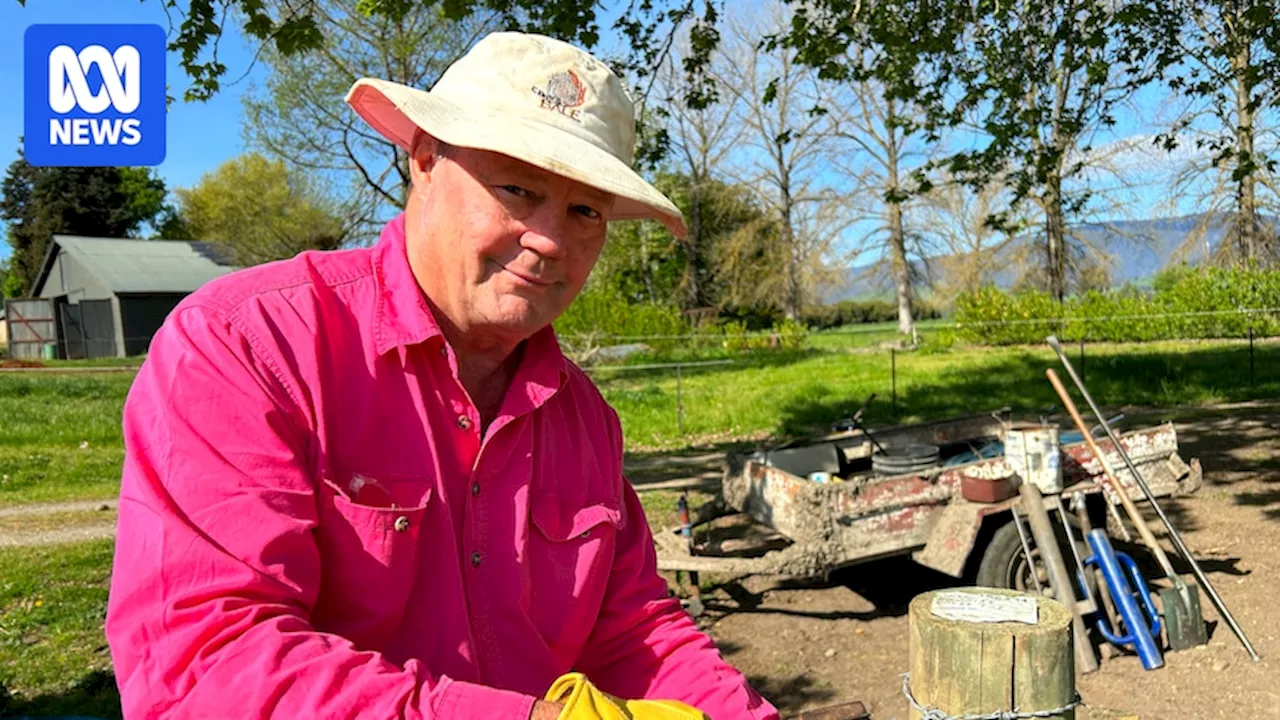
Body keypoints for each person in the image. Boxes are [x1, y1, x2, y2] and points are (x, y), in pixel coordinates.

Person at [105, 31, 780, 720]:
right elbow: (207, 663)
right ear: (423, 159)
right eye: (518, 188)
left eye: (586, 211)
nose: (550, 239)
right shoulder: (249, 345)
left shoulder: (584, 419)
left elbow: (635, 629)